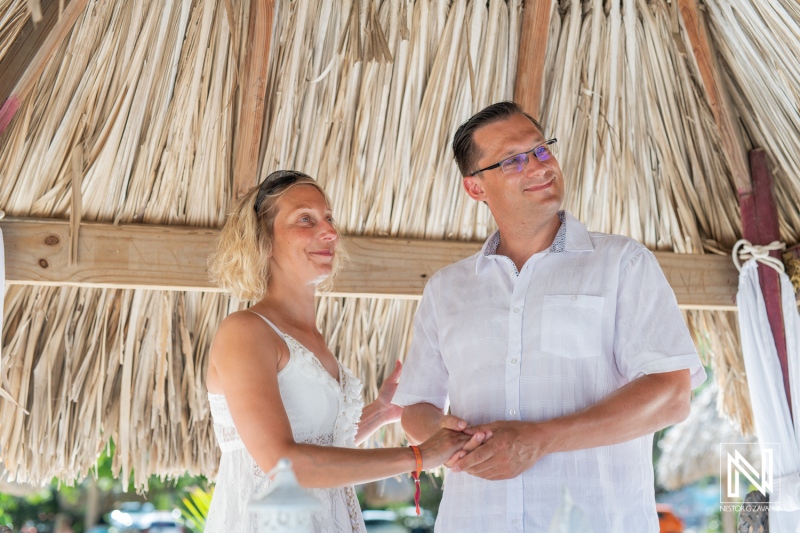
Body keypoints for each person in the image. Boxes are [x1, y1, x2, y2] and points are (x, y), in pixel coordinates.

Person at [392, 102, 706, 532]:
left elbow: (672, 394)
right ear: (475, 188)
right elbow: (416, 409)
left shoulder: (622, 263)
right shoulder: (446, 289)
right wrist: (442, 432)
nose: (539, 166)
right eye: (514, 160)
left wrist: (540, 439)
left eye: (542, 150)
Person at [204, 170, 478, 532]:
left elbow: (319, 441)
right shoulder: (245, 332)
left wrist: (379, 414)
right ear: (263, 241)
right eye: (306, 219)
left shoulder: (309, 337)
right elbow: (284, 464)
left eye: (329, 218)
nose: (330, 231)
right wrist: (418, 456)